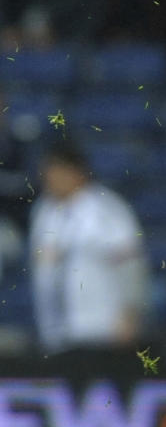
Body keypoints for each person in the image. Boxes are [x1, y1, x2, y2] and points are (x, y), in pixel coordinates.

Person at [29, 140, 149, 354]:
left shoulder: (107, 208)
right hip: (55, 333)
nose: (49, 177)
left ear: (77, 172)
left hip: (102, 329)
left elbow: (131, 266)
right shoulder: (43, 211)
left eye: (56, 169)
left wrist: (130, 315)